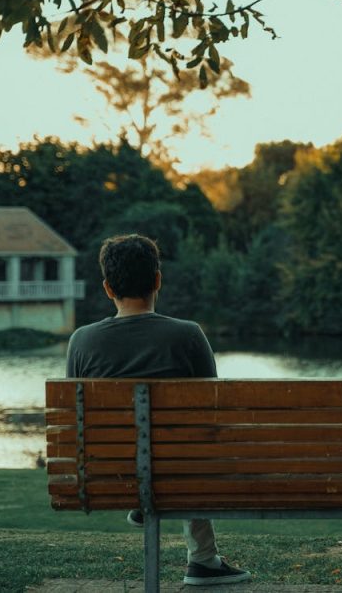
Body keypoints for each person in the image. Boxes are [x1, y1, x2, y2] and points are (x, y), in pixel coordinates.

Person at [66, 233, 251, 587]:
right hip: (180, 467)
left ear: (107, 288)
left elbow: (79, 422)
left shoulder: (82, 341)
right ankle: (203, 560)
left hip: (109, 471)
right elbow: (212, 413)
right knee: (191, 446)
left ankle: (142, 494)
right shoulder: (188, 335)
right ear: (157, 281)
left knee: (165, 449)